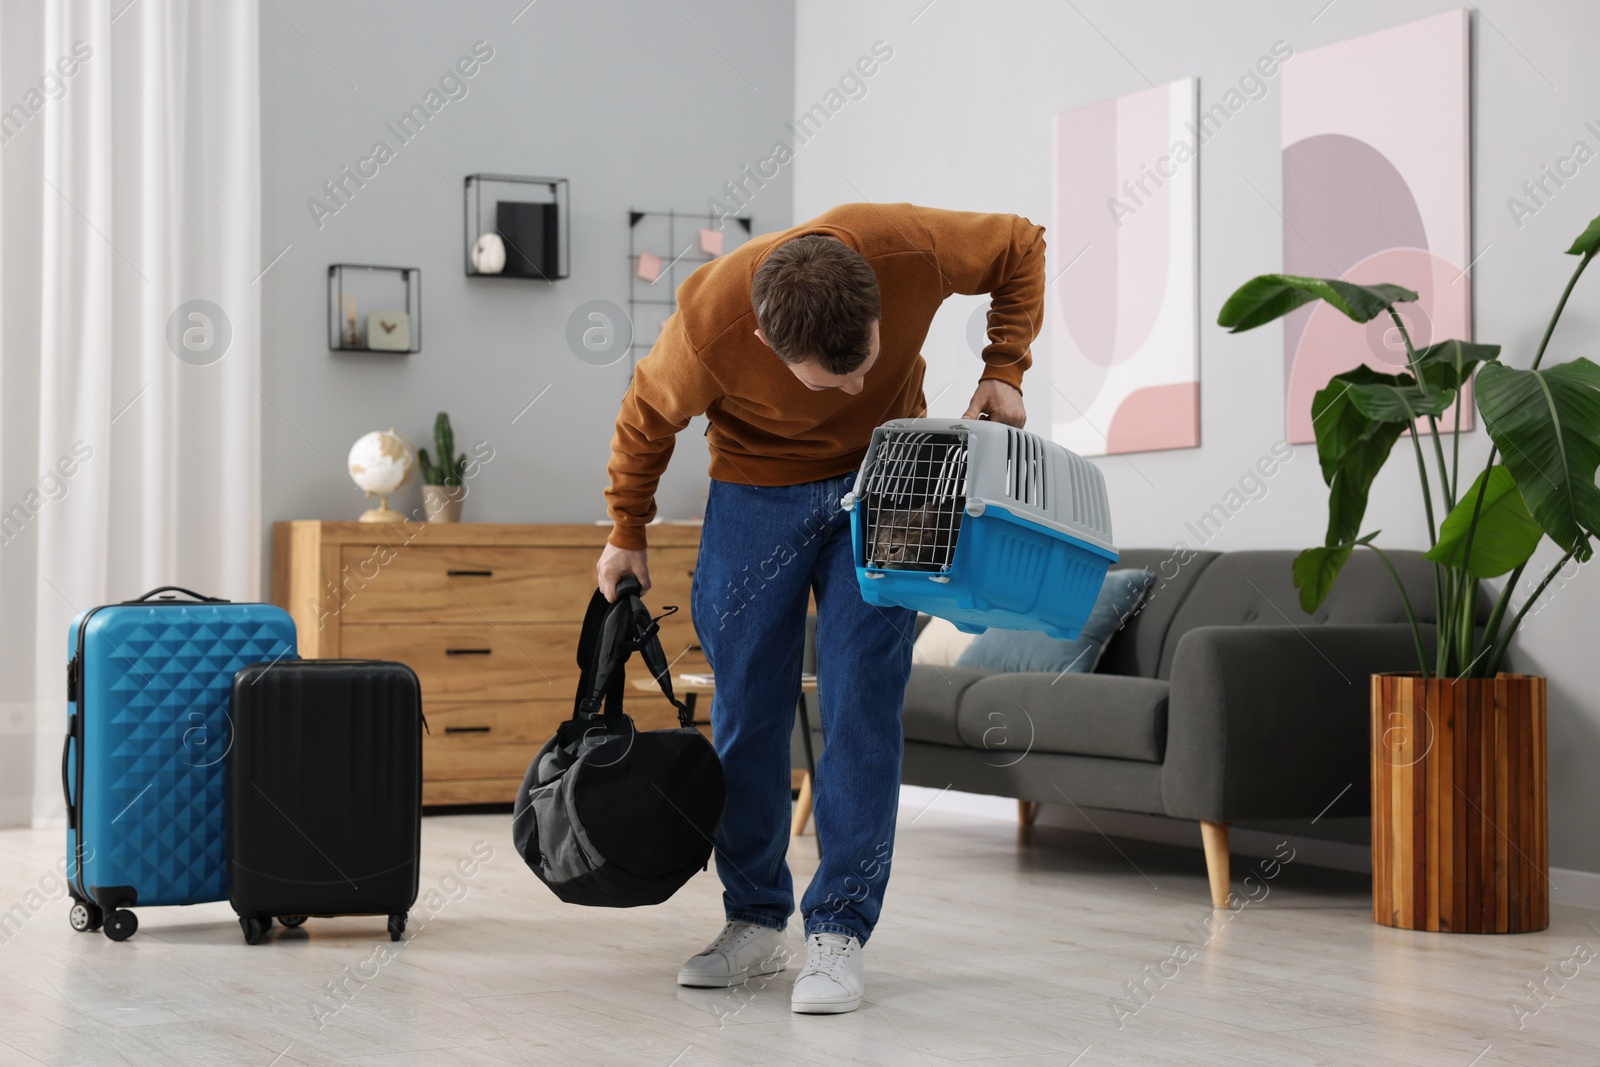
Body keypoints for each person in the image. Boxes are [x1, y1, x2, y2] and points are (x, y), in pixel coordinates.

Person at [596, 202, 1044, 1014]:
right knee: (747, 711)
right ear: (766, 343)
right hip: (753, 493)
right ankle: (755, 918)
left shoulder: (906, 246)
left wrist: (1004, 365)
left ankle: (838, 929)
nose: (856, 385)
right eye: (831, 378)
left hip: (884, 483)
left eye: (866, 360)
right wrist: (626, 528)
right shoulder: (708, 323)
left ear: (875, 301)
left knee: (861, 701)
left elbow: (1021, 243)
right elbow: (646, 418)